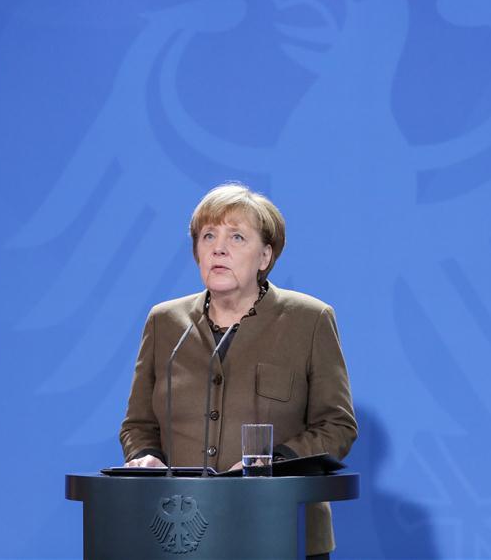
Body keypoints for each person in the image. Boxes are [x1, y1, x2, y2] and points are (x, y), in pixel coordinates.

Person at [119, 183, 357, 558]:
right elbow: (138, 424)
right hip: (183, 535)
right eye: (208, 235)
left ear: (265, 256)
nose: (219, 248)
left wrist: (275, 461)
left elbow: (338, 426)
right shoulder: (165, 323)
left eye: (237, 237)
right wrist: (145, 455)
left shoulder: (309, 320)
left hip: (281, 529)